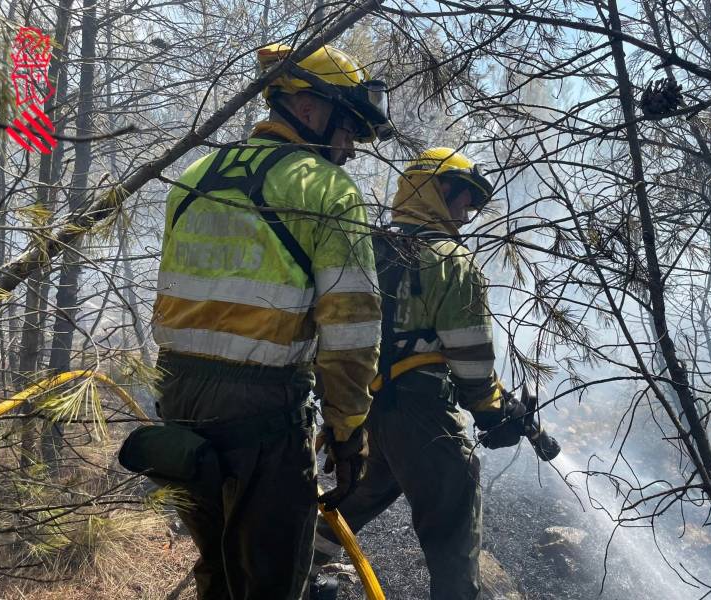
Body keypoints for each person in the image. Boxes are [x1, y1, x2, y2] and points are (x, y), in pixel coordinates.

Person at [150, 43, 392, 599]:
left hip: (179, 403)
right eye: (349, 126)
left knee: (217, 569)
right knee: (272, 580)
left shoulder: (194, 175)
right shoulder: (326, 189)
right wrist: (349, 428)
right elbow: (352, 327)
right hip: (262, 411)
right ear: (307, 105)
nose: (351, 148)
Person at [309, 147, 527, 600]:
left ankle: (296, 572)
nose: (469, 212)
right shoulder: (450, 260)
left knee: (365, 493)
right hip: (425, 415)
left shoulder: (365, 247)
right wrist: (491, 410)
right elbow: (470, 358)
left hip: (370, 410)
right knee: (453, 528)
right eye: (466, 197)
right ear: (438, 189)